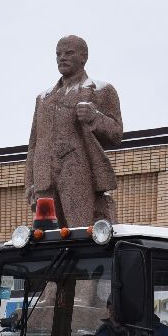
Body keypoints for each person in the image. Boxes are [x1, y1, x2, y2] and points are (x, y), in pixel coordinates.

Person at [25, 35, 124, 227]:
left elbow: (117, 133)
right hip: (45, 180)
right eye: (58, 54)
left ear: (83, 57)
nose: (62, 58)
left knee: (81, 233)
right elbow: (33, 145)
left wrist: (94, 117)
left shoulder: (101, 91)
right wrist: (30, 183)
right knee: (46, 239)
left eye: (68, 53)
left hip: (78, 177)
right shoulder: (44, 98)